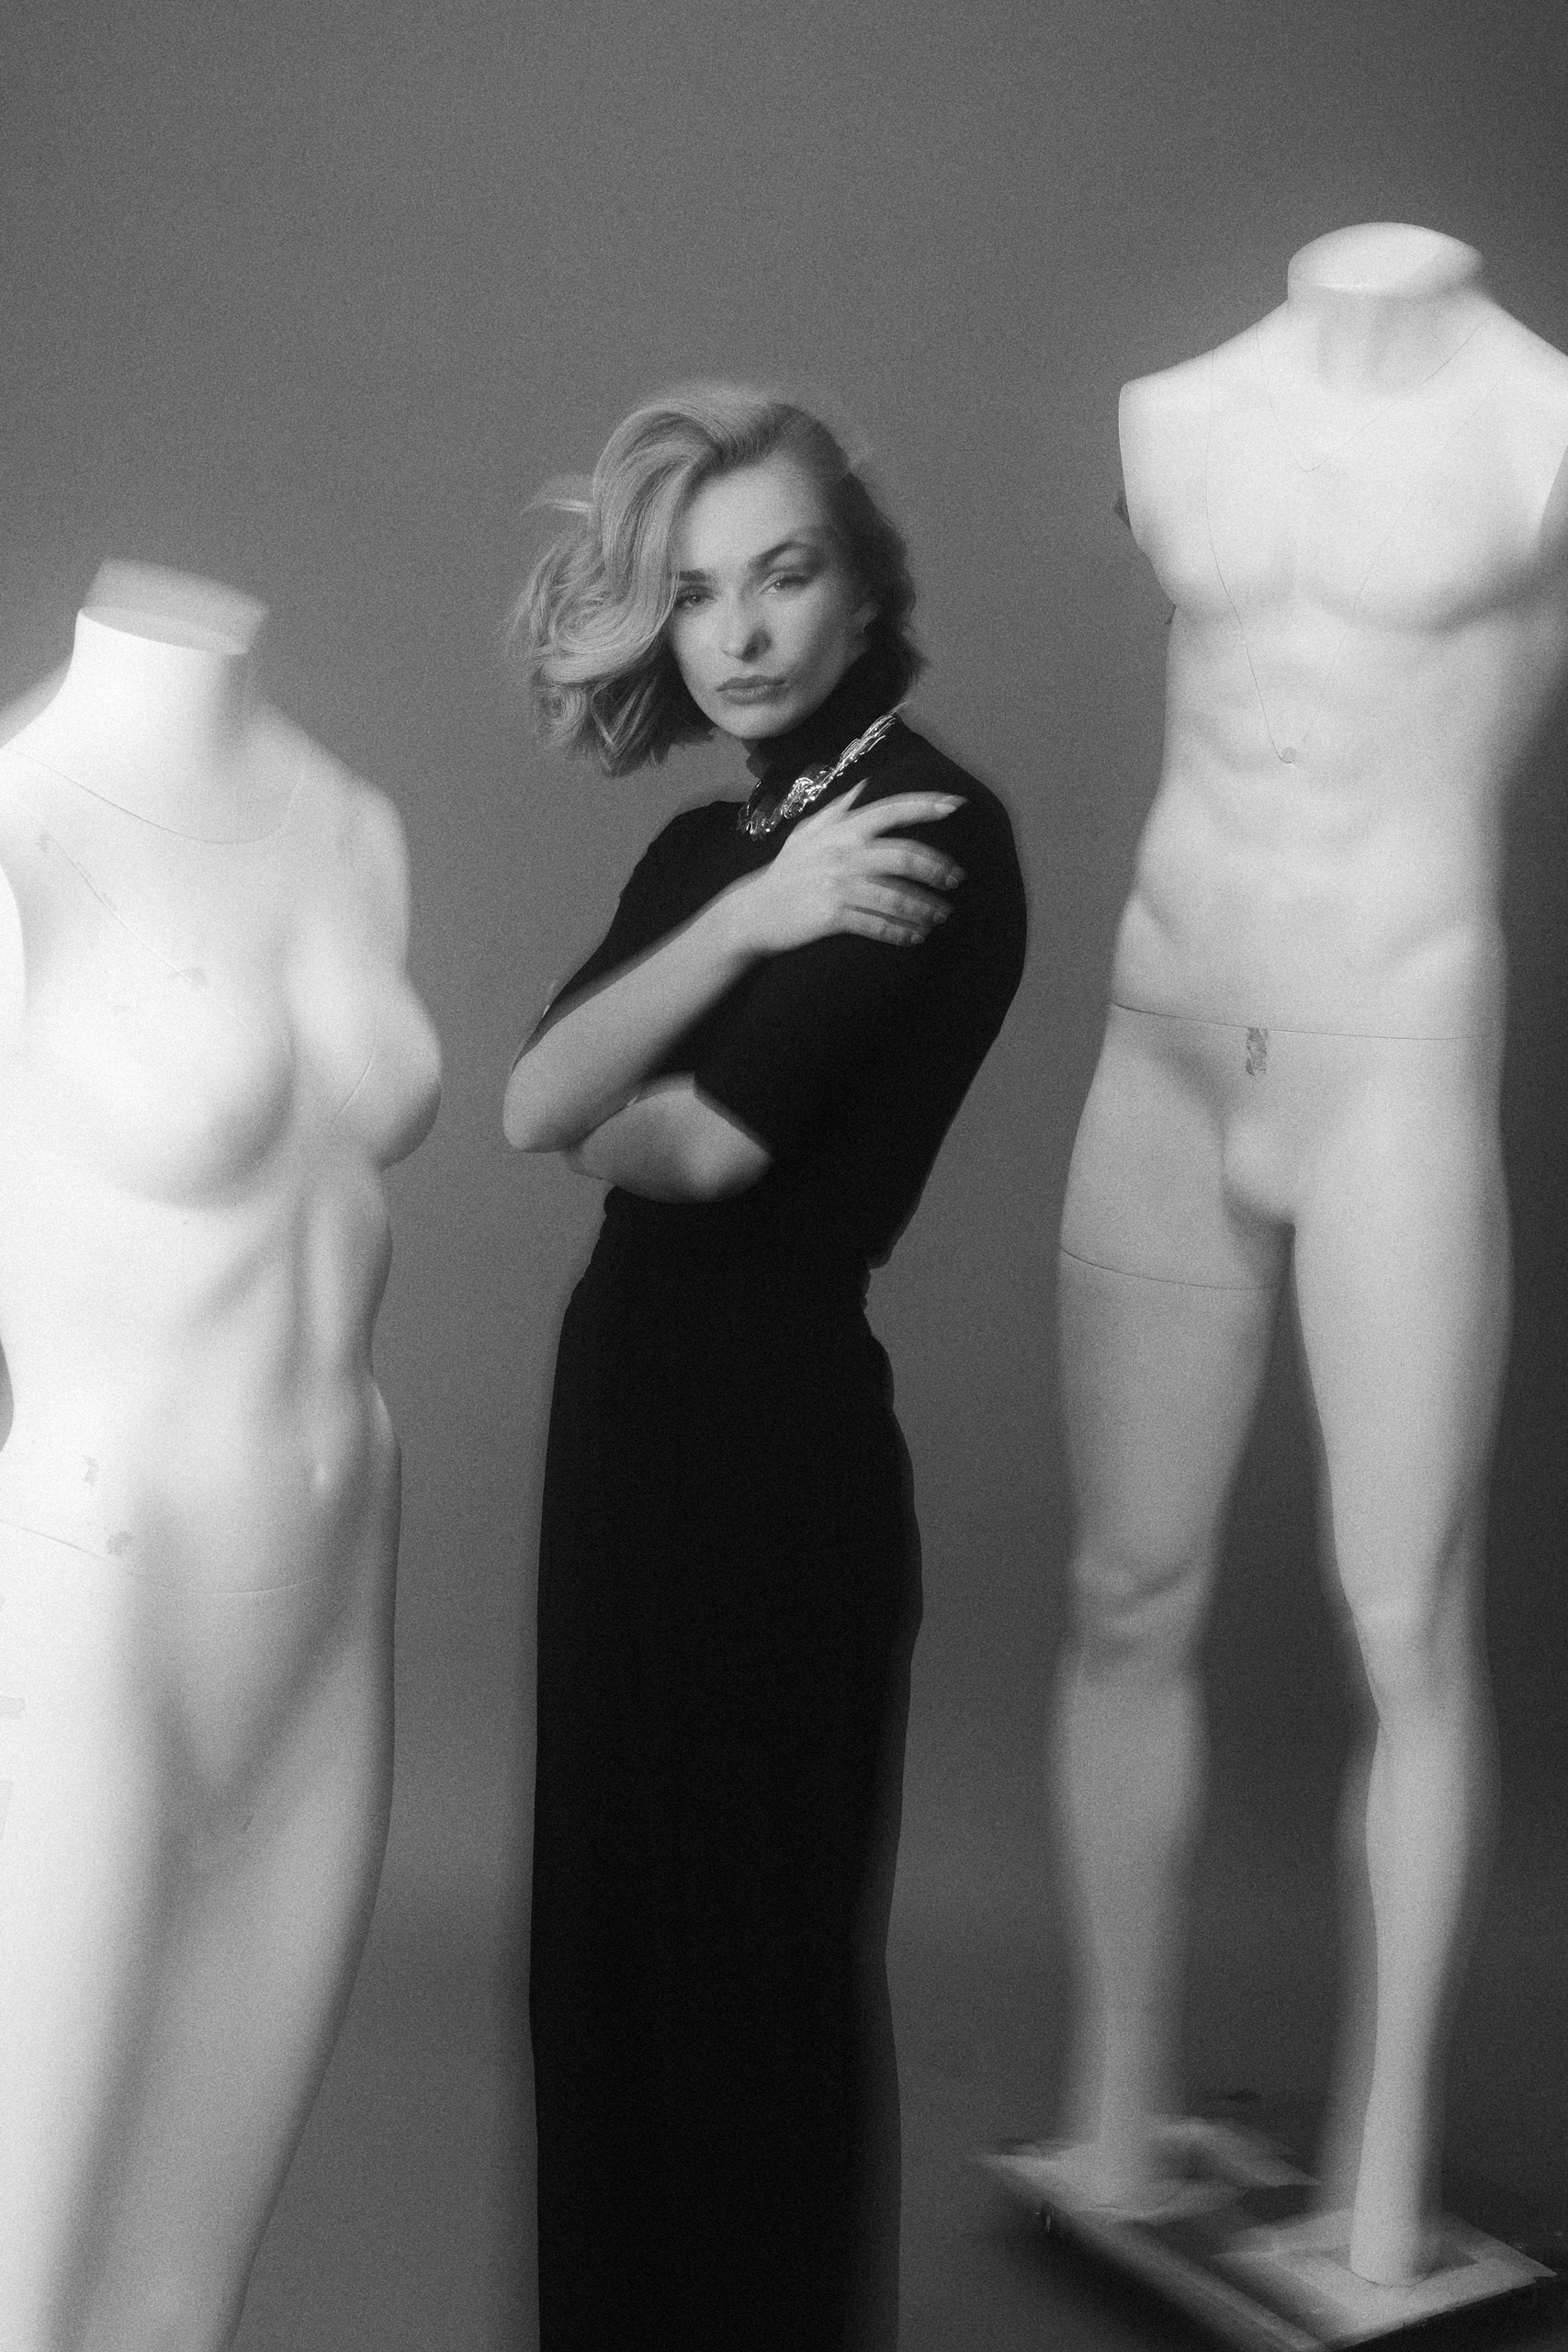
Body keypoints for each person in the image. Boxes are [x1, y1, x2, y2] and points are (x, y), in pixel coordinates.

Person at [1044, 223, 1568, 2287]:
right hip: (1169, 1022)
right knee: (1121, 1589)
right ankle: (1113, 2101)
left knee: (1403, 1618)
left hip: (1388, 1046)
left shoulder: (1540, 425)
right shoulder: (1180, 409)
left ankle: (1382, 2166)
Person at [505, 384, 1026, 2349]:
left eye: (783, 574)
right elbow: (530, 1102)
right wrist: (753, 918)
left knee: (746, 1975)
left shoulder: (930, 825)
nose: (736, 632)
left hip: (768, 1449)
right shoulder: (716, 848)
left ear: (861, 586)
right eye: (700, 590)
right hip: (619, 1428)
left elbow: (697, 1149)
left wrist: (623, 1080)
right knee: (601, 1956)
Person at [0, 564, 441, 2352]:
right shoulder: (16, 832)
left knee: (190, 2281)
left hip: (332, 1580)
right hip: (104, 1582)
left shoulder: (350, 821)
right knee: (27, 2275)